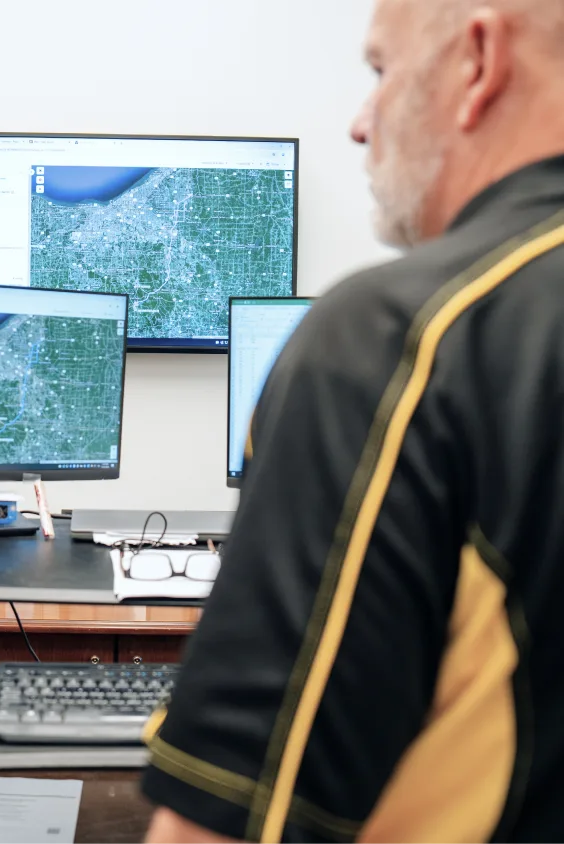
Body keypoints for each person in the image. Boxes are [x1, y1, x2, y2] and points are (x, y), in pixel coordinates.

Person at [142, 0, 564, 840]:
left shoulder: (401, 342)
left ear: (476, 61)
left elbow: (228, 821)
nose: (360, 124)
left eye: (380, 72)